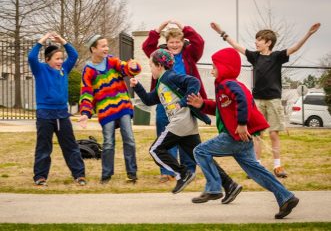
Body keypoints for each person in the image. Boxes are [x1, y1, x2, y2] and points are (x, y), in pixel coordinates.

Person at [188, 47, 299, 219]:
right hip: (241, 139)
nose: (211, 71)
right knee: (256, 171)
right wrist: (202, 105)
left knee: (199, 151)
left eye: (214, 67)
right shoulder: (225, 87)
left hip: (234, 136)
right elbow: (222, 109)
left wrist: (241, 124)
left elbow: (244, 100)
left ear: (225, 67)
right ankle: (286, 197)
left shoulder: (229, 84)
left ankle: (214, 188)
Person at [210, 22, 321, 178]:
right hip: (257, 101)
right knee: (257, 135)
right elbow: (235, 45)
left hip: (274, 100)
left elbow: (295, 48)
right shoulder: (254, 57)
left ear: (268, 43)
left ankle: (277, 166)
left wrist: (309, 33)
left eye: (259, 40)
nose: (256, 42)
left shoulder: (277, 57)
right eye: (256, 39)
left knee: (274, 134)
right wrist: (221, 31)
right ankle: (257, 165)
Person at [130, 49, 242, 203]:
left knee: (155, 150)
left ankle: (183, 173)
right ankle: (229, 185)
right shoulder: (162, 83)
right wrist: (137, 86)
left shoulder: (170, 76)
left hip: (181, 122)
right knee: (200, 157)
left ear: (159, 65)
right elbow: (149, 100)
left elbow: (194, 82)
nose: (150, 69)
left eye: (151, 65)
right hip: (186, 124)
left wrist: (182, 103)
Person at [142, 20, 205, 182]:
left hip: (185, 102)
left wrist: (183, 26)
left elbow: (199, 42)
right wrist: (160, 27)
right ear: (166, 43)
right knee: (165, 135)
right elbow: (147, 46)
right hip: (165, 102)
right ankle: (168, 171)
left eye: (178, 42)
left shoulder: (190, 54)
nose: (175, 45)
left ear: (183, 42)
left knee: (186, 136)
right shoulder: (160, 56)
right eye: (171, 42)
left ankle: (189, 169)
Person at [78, 35, 141, 184]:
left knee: (129, 139)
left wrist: (133, 66)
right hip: (106, 111)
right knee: (108, 143)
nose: (106, 48)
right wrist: (86, 113)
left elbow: (127, 69)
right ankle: (106, 175)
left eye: (107, 45)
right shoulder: (88, 70)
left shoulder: (112, 61)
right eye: (103, 46)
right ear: (93, 49)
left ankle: (131, 173)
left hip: (122, 106)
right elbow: (86, 93)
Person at [28, 32, 86, 186]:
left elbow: (73, 55)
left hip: (62, 114)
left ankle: (79, 175)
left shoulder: (64, 69)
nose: (61, 61)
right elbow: (31, 57)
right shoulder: (40, 69)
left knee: (70, 146)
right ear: (48, 60)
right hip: (44, 115)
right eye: (57, 58)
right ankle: (40, 177)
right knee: (44, 147)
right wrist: (42, 41)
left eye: (61, 58)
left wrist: (63, 41)